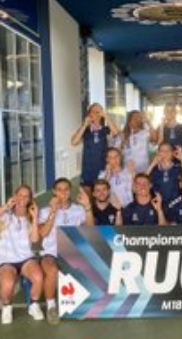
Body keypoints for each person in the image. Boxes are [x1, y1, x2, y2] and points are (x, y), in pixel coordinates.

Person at [39, 178, 94, 325]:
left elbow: (90, 228)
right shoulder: (44, 211)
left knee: (86, 266)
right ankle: (51, 307)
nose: (63, 193)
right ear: (54, 192)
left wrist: (87, 206)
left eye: (66, 189)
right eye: (59, 189)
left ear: (70, 191)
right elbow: (43, 233)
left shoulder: (78, 209)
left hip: (72, 251)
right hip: (51, 252)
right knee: (52, 270)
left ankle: (77, 305)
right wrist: (53, 211)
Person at [0, 185, 44, 325]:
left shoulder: (31, 217)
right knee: (7, 284)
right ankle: (7, 307)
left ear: (30, 199)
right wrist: (5, 207)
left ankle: (33, 305)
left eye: (26, 196)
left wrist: (35, 218)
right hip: (7, 260)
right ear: (14, 196)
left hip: (26, 259)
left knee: (38, 277)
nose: (22, 198)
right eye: (20, 195)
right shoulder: (5, 215)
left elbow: (35, 241)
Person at [71, 103, 120, 193]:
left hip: (103, 169)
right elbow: (74, 142)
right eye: (93, 112)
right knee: (87, 195)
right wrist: (84, 125)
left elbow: (116, 132)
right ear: (89, 114)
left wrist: (106, 116)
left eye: (99, 112)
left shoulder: (105, 129)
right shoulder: (85, 130)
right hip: (87, 170)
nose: (96, 114)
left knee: (101, 194)